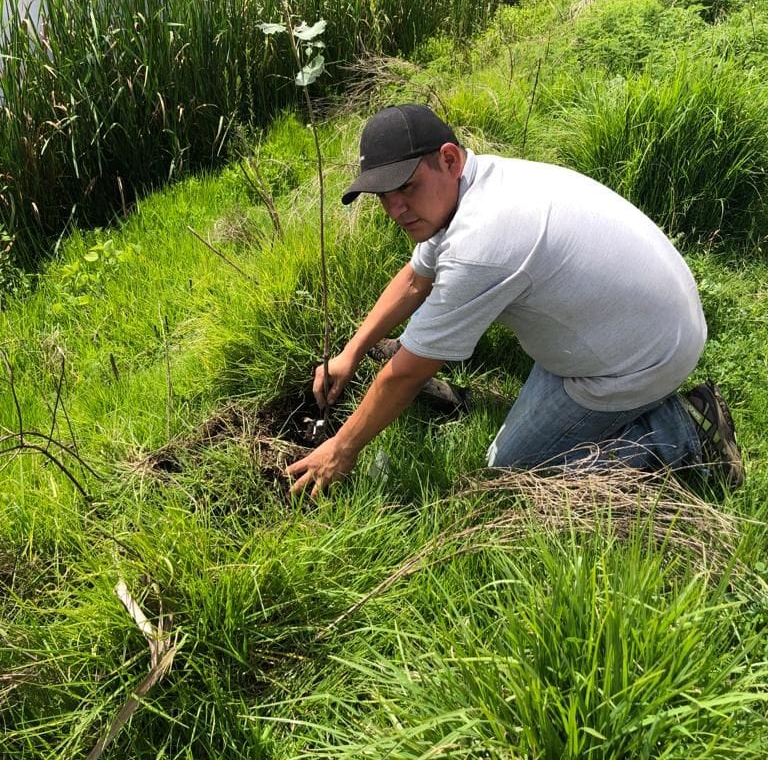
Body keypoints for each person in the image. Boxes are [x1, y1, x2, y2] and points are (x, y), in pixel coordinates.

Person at [285, 105, 743, 498]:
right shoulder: (473, 187)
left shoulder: (482, 242)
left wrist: (341, 450)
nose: (396, 209)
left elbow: (406, 373)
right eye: (384, 196)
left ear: (448, 159)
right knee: (499, 431)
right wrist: (351, 352)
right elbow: (414, 280)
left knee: (513, 475)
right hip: (637, 320)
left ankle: (686, 431)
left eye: (406, 187)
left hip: (641, 357)